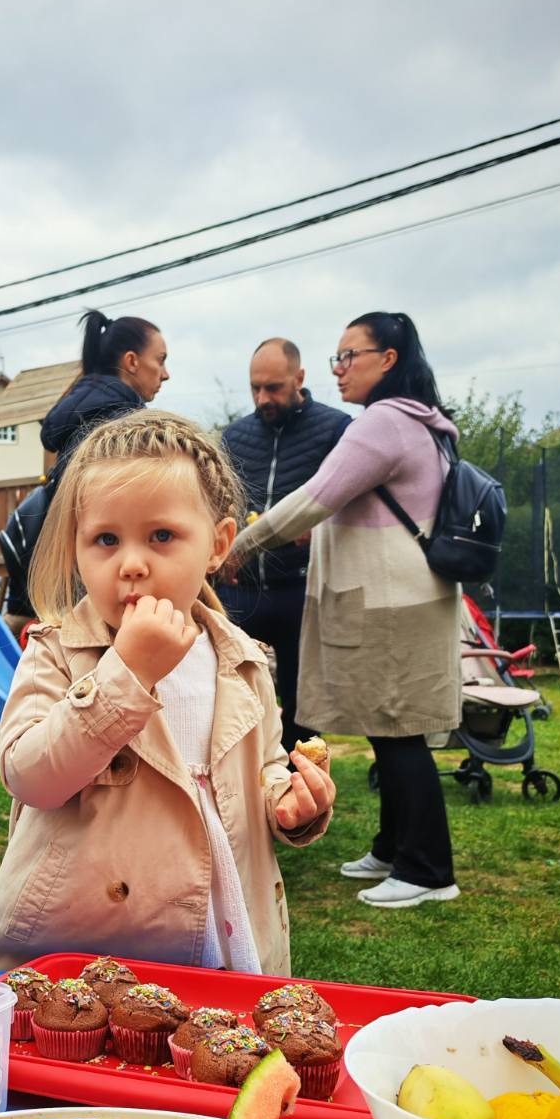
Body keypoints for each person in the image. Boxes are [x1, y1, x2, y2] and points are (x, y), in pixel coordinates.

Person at [0, 409, 334, 974]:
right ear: (76, 549)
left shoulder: (245, 660)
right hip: (99, 942)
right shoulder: (57, 651)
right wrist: (127, 672)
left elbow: (268, 767)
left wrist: (289, 803)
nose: (131, 564)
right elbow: (31, 776)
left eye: (162, 536)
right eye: (105, 540)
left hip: (224, 920)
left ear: (217, 544)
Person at [229, 312, 461, 909]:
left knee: (401, 732)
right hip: (404, 598)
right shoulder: (416, 423)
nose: (339, 370)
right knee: (388, 730)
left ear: (387, 359)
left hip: (393, 604)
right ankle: (391, 847)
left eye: (349, 356)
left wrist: (238, 547)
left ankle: (429, 870)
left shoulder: (383, 423)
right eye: (336, 357)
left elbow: (312, 499)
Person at [218, 338, 350, 754]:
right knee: (228, 688)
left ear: (300, 378)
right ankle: (238, 779)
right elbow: (216, 501)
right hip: (242, 587)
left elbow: (352, 501)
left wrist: (324, 525)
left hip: (303, 590)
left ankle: (300, 794)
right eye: (255, 387)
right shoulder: (235, 436)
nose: (263, 398)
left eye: (273, 388)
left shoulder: (337, 429)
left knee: (303, 703)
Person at [0, 310, 168, 630]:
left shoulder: (80, 414)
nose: (165, 373)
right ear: (132, 362)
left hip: (62, 567)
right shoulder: (123, 426)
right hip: (94, 582)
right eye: (160, 360)